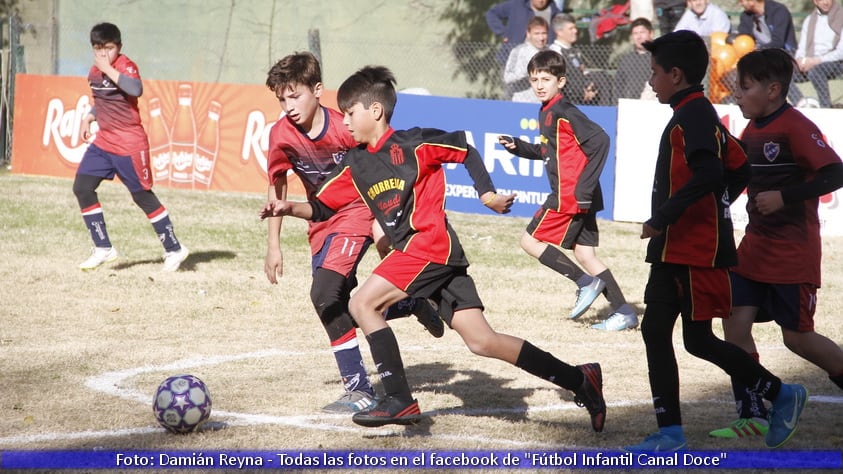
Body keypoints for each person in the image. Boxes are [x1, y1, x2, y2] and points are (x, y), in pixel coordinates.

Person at [260, 65, 607, 431]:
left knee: (361, 303)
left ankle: (398, 398)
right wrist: (289, 208)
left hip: (428, 247)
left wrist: (486, 194)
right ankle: (580, 378)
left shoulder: (414, 144)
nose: (343, 122)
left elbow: (466, 151)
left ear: (374, 111)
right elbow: (324, 206)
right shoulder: (357, 163)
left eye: (350, 113)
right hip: (428, 258)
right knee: (482, 341)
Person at [625, 30, 808, 452]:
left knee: (699, 340)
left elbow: (711, 174)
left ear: (675, 73)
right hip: (675, 248)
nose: (651, 81)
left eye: (655, 73)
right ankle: (669, 432)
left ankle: (781, 394)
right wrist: (715, 206)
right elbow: (739, 165)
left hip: (695, 249)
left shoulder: (694, 116)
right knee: (656, 330)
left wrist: (667, 216)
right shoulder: (694, 112)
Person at [263, 53, 445, 414]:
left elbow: (383, 163)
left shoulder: (345, 126)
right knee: (338, 302)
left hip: (358, 212)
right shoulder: (280, 135)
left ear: (317, 90)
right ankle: (411, 303)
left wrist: (389, 219)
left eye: (295, 96)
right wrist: (273, 245)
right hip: (320, 220)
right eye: (282, 99)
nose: (289, 106)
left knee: (323, 293)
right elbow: (277, 186)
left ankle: (359, 389)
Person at [708, 48, 843, 440]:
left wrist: (786, 197)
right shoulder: (752, 131)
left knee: (797, 337)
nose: (737, 94)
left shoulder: (795, 126)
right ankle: (752, 414)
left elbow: (835, 172)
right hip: (754, 249)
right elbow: (737, 182)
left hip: (792, 253)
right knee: (734, 324)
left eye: (744, 87)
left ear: (772, 90)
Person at [499, 50, 638, 331]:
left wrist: (583, 190)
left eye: (546, 79)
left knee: (529, 242)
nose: (539, 85)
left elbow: (600, 141)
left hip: (570, 196)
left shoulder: (564, 111)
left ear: (560, 82)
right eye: (534, 79)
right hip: (579, 195)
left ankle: (585, 283)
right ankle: (624, 312)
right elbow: (550, 151)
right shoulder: (546, 111)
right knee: (586, 255)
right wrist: (520, 147)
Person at [73, 22, 188, 272]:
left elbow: (135, 89)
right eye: (98, 48)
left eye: (109, 48)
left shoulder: (125, 66)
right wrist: (89, 117)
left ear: (119, 47)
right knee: (82, 187)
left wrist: (108, 68)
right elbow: (103, 100)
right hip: (104, 141)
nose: (104, 54)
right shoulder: (94, 72)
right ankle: (103, 248)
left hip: (129, 143)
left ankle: (174, 248)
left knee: (141, 196)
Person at [549, 13, 612, 105]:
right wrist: (580, 92)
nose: (575, 31)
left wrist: (589, 86)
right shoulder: (555, 52)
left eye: (575, 28)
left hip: (581, 95)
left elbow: (583, 71)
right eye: (571, 28)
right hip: (566, 99)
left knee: (601, 76)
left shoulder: (575, 52)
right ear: (559, 32)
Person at [791, 0, 843, 108]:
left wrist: (815, 61)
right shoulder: (809, 20)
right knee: (782, 72)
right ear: (815, 2)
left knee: (816, 71)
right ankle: (802, 104)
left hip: (834, 62)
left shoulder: (841, 17)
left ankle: (826, 107)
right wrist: (800, 60)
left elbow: (841, 52)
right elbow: (802, 47)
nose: (826, 2)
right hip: (810, 60)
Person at [486, 0, 561, 65]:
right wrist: (503, 33)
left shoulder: (555, 12)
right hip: (513, 59)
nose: (540, 0)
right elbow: (492, 13)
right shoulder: (517, 5)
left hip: (541, 61)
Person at [503, 16, 549, 102]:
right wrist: (525, 71)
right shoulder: (518, 51)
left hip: (543, 103)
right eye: (537, 34)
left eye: (544, 33)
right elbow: (507, 78)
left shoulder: (550, 52)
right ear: (528, 34)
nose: (541, 38)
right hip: (522, 101)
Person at [613, 17, 657, 102]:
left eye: (642, 32)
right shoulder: (626, 60)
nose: (639, 37)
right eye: (635, 33)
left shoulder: (659, 58)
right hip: (628, 104)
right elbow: (618, 86)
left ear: (651, 34)